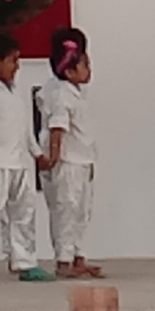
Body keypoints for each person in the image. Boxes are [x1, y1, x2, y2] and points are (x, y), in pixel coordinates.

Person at [0, 32, 55, 284]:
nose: (17, 66)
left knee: (24, 213)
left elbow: (26, 129)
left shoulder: (16, 93)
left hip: (20, 162)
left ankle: (24, 261)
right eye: (13, 60)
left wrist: (37, 154)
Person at [40, 26, 103, 279]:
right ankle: (64, 259)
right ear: (68, 71)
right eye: (84, 64)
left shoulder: (77, 93)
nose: (90, 69)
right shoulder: (60, 94)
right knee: (66, 209)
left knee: (81, 211)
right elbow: (57, 129)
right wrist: (54, 158)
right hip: (67, 163)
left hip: (82, 160)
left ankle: (78, 255)